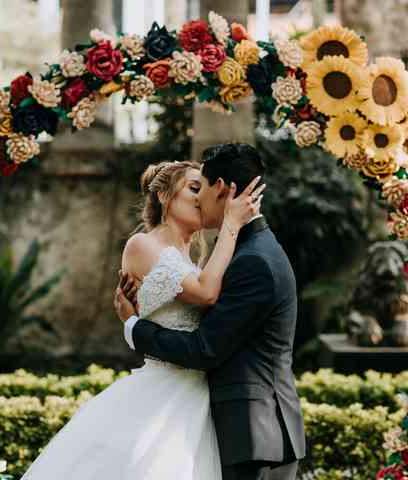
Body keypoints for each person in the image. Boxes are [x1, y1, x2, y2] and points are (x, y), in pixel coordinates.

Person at [21, 155, 262, 479]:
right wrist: (231, 225)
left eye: (204, 189)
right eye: (193, 187)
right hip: (164, 392)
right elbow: (207, 293)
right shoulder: (142, 245)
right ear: (164, 196)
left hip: (200, 394)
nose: (201, 196)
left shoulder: (196, 258)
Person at [115, 143, 306, 480]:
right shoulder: (240, 251)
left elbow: (205, 347)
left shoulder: (252, 260)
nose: (198, 198)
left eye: (199, 187)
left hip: (253, 435)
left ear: (219, 188)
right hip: (219, 420)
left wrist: (132, 326)